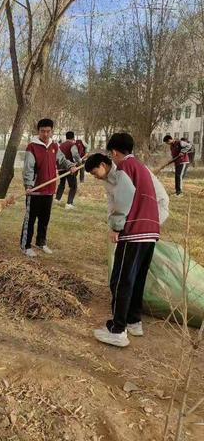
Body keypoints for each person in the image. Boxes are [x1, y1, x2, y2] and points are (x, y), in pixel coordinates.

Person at [85, 134, 167, 347]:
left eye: (95, 173)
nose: (97, 178)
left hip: (135, 231)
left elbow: (124, 198)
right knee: (137, 278)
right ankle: (133, 320)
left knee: (120, 280)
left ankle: (117, 329)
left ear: (112, 154)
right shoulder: (141, 167)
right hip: (150, 232)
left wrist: (116, 226)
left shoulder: (124, 169)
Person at [21, 118, 78, 257]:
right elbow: (28, 168)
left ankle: (41, 242)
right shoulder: (32, 147)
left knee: (44, 218)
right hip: (35, 190)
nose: (45, 134)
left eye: (48, 131)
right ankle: (25, 246)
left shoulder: (54, 147)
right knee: (31, 219)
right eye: (42, 131)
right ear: (38, 131)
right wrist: (29, 185)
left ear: (52, 131)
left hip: (49, 189)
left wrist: (70, 166)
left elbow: (62, 160)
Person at [55, 131, 82, 209]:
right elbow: (75, 155)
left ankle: (57, 199)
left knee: (62, 183)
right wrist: (79, 161)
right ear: (73, 138)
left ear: (66, 137)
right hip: (69, 168)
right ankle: (69, 204)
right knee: (73, 186)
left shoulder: (61, 145)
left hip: (60, 167)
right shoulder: (72, 145)